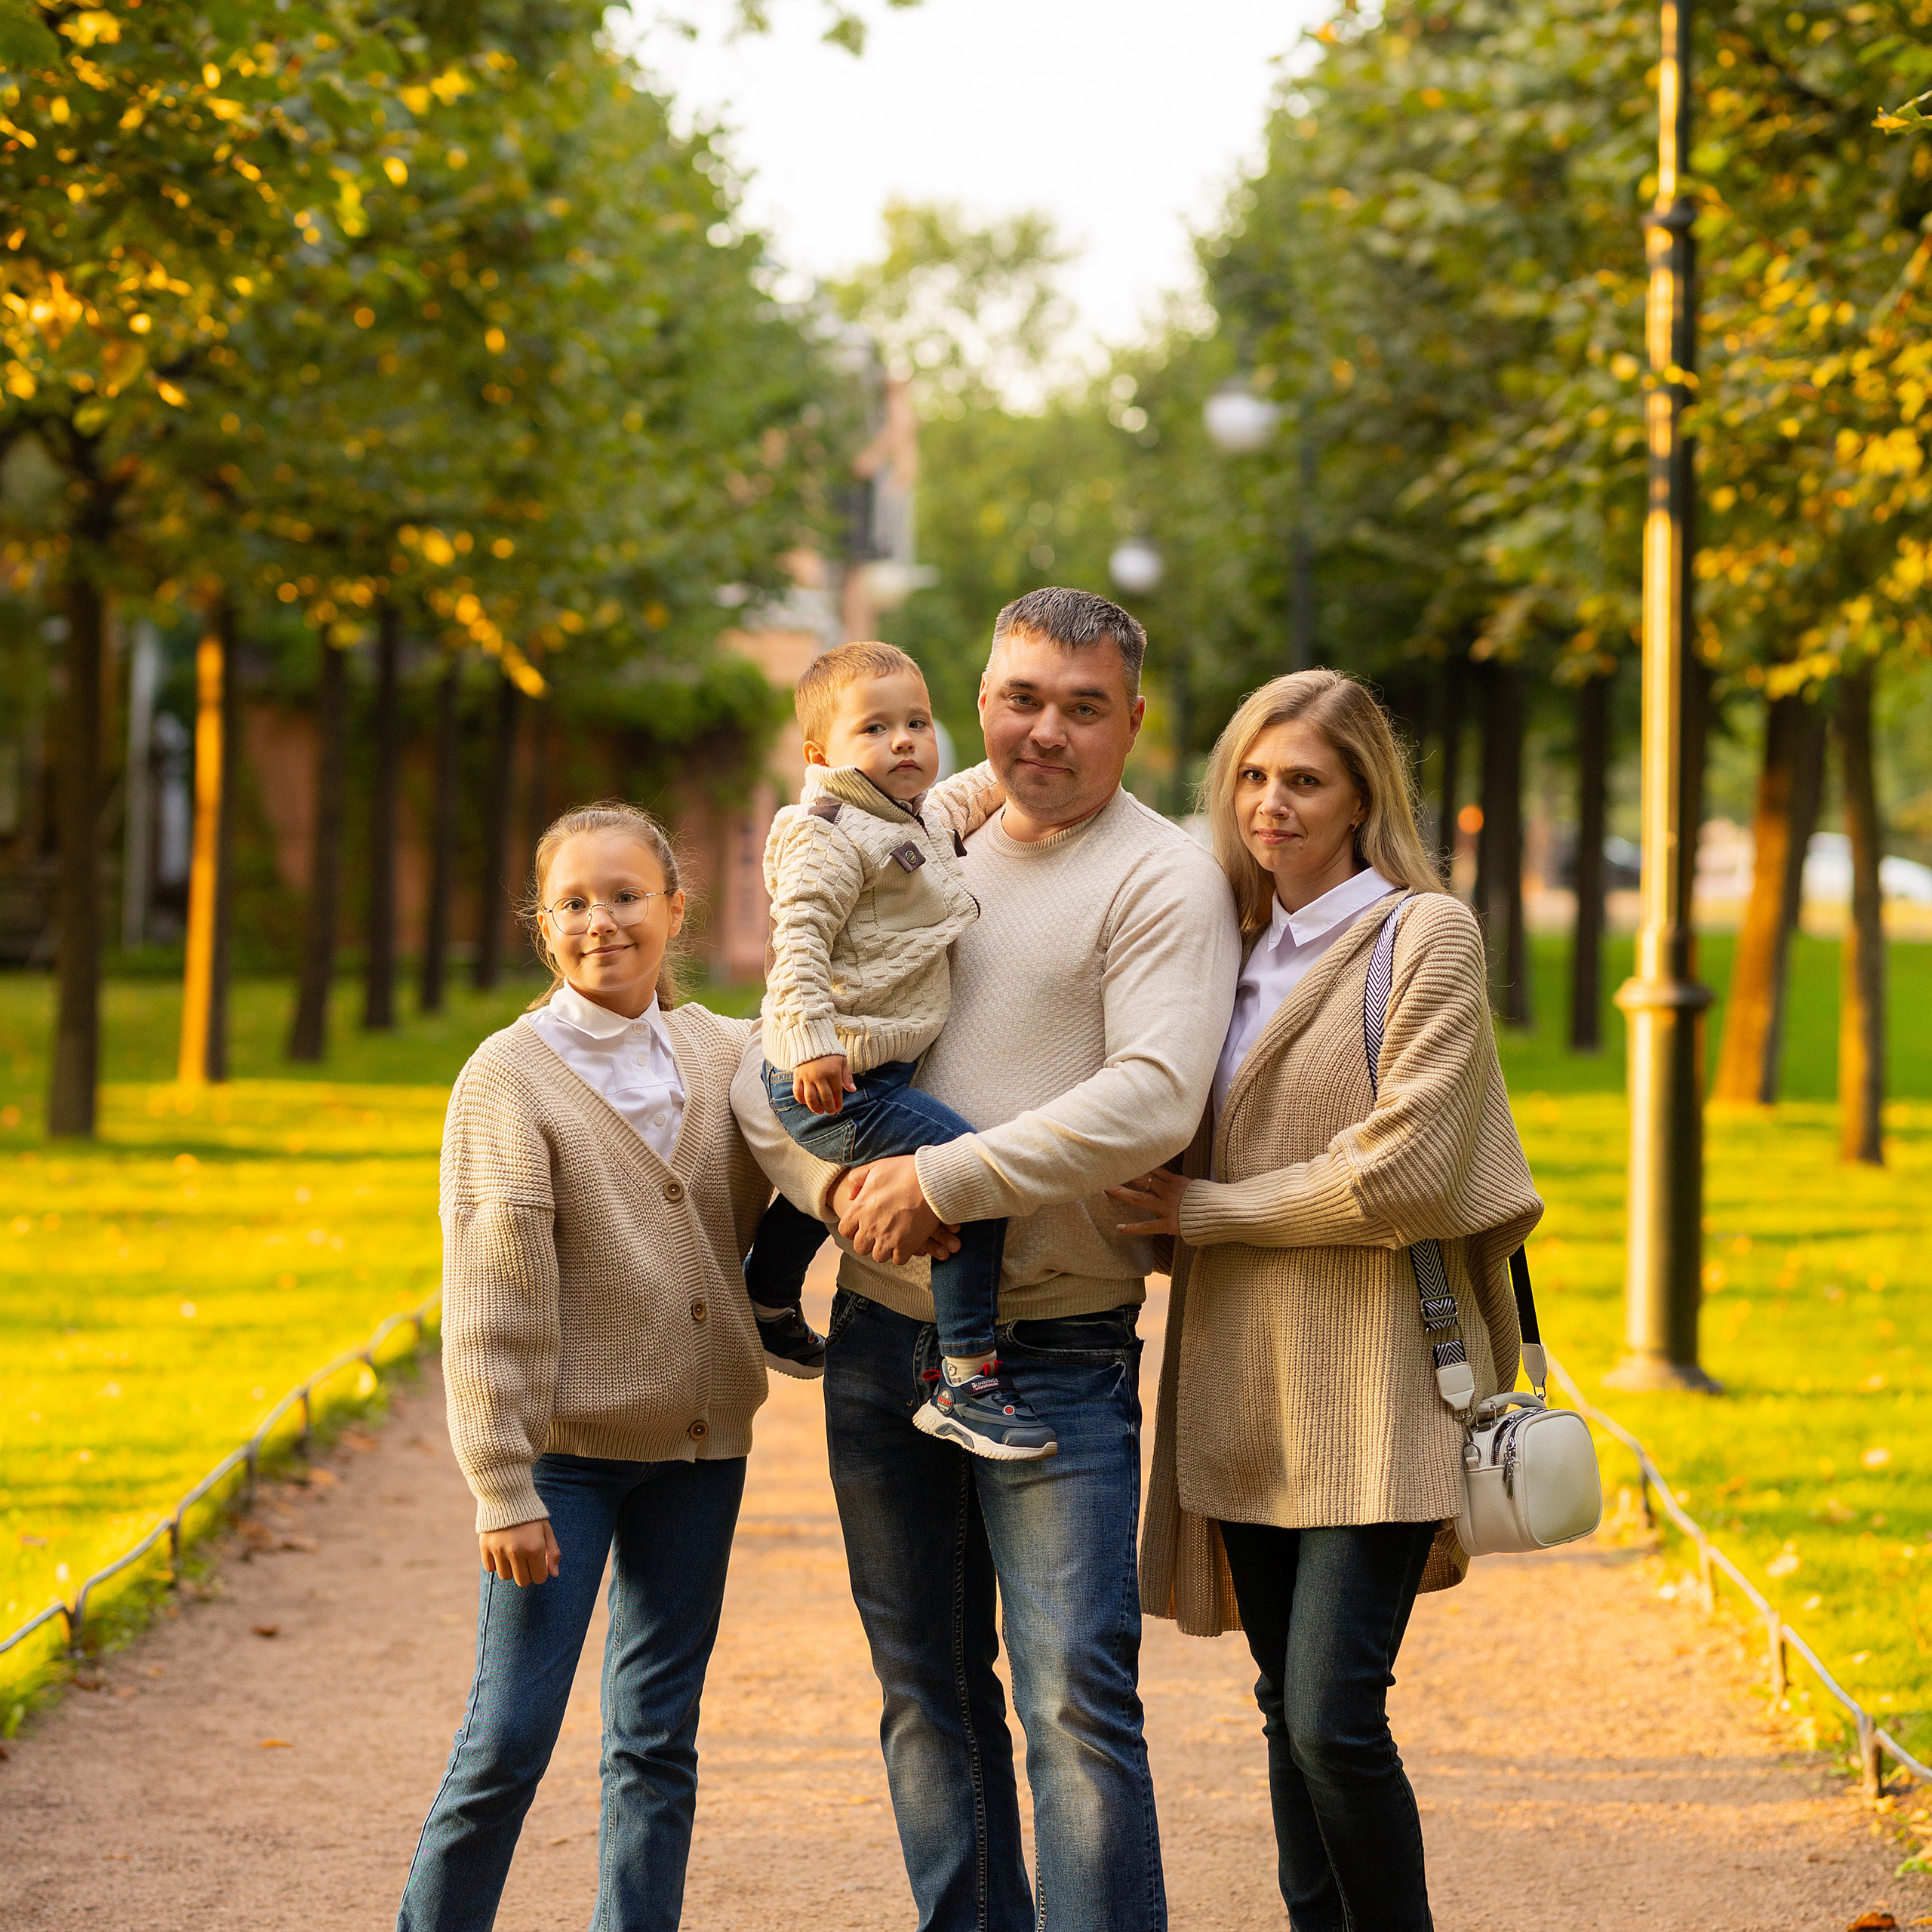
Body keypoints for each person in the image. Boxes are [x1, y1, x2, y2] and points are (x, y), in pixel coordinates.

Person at [732, 587, 1241, 1932]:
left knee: (1074, 1701)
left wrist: (941, 1177)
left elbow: (1154, 1097)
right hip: (882, 1336)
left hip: (1055, 1350)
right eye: (1022, 699)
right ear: (981, 701)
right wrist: (839, 1186)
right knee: (926, 1693)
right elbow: (773, 1051)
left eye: (1086, 707)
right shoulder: (913, 831)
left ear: (1135, 718)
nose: (1047, 733)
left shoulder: (1162, 877)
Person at [1110, 669, 1542, 1932]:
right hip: (1242, 1382)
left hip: (1378, 1380)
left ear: (1363, 793)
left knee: (1334, 1717)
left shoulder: (1424, 936)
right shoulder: (1225, 950)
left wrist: (1208, 1214)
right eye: (1250, 776)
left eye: (1303, 778)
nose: (1271, 802)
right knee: (1278, 1710)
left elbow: (1403, 1171)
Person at [398, 802, 773, 1932]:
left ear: (674, 909)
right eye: (572, 903)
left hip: (701, 1453)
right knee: (508, 1736)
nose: (600, 922)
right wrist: (500, 1485)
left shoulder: (726, 1053)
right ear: (540, 926)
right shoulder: (508, 1077)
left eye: (624, 896)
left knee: (656, 1739)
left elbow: (809, 1163)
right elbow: (490, 1295)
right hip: (563, 1462)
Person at [740, 640, 1057, 1459]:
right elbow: (799, 938)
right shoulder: (829, 832)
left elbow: (967, 793)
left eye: (916, 721)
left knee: (830, 1194)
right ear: (822, 756)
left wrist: (1025, 753)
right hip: (831, 1075)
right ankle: (966, 1376)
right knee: (963, 1169)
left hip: (868, 1066)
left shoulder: (911, 812)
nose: (905, 741)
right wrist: (809, 1041)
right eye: (875, 728)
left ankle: (767, 1297)